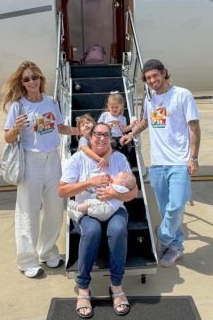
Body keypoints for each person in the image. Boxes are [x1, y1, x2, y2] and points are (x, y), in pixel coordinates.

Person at [1, 60, 79, 279]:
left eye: (34, 77)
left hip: (52, 159)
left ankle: (47, 251)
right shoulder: (18, 105)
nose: (31, 82)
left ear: (40, 79)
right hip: (30, 161)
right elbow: (7, 137)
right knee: (28, 211)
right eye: (26, 79)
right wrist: (16, 127)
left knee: (55, 208)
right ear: (22, 83)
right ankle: (27, 259)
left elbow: (60, 127)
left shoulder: (50, 101)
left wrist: (80, 131)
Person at [121, 59, 201, 268]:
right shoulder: (150, 99)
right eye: (148, 78)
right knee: (166, 210)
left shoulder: (182, 95)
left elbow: (194, 127)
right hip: (157, 164)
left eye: (155, 75)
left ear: (165, 73)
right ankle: (176, 247)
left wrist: (193, 157)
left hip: (179, 162)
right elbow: (146, 121)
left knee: (176, 206)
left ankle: (162, 237)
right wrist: (132, 134)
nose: (152, 80)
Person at [58, 123, 138, 318]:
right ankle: (83, 288)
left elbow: (134, 192)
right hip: (88, 212)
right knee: (92, 231)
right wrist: (89, 183)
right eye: (97, 134)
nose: (101, 138)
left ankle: (116, 287)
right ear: (90, 136)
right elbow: (61, 191)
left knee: (118, 230)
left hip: (115, 208)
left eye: (106, 135)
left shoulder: (118, 158)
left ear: (111, 138)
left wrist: (113, 194)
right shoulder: (78, 159)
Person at [67, 171, 136, 222]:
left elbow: (111, 190)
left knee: (90, 203)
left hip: (106, 208)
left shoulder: (121, 188)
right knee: (91, 205)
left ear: (122, 184)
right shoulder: (124, 190)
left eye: (117, 177)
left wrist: (109, 181)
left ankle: (77, 207)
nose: (114, 177)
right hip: (105, 210)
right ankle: (78, 215)